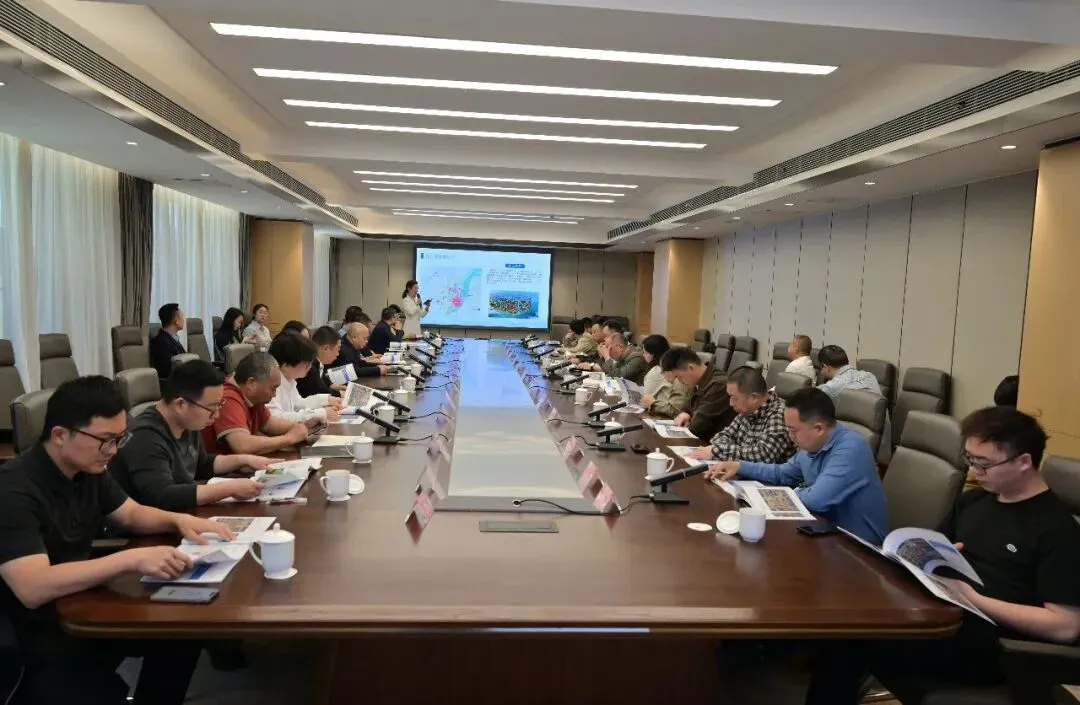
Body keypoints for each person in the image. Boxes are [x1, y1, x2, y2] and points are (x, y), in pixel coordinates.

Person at [805, 406, 1080, 705]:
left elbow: (1064, 626)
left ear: (1024, 461)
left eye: (984, 464)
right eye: (970, 459)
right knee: (845, 618)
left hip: (996, 645)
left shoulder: (1057, 529)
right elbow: (936, 546)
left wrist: (974, 599)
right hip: (945, 613)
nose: (973, 472)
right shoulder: (975, 501)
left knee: (850, 635)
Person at [0, 376, 233, 705]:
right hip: (35, 632)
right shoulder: (14, 490)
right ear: (60, 435)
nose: (112, 451)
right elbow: (32, 587)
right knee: (104, 692)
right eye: (105, 440)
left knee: (181, 632)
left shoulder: (88, 467)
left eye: (119, 440)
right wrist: (130, 559)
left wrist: (178, 520)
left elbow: (131, 514)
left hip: (83, 600)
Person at [706, 387, 887, 544]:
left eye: (793, 430)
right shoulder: (811, 446)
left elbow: (816, 499)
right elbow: (782, 473)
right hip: (822, 532)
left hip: (859, 548)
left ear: (818, 428)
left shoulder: (851, 447)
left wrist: (783, 495)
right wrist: (740, 466)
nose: (790, 437)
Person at [110, 360, 274, 509]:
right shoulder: (144, 436)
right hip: (146, 527)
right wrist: (228, 489)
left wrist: (243, 460)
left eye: (219, 405)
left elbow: (202, 464)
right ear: (181, 404)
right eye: (212, 408)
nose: (216, 415)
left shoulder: (187, 423)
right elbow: (162, 495)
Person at [200, 352, 311, 455]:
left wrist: (298, 427)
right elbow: (243, 446)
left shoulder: (253, 398)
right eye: (273, 388)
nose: (274, 395)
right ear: (252, 383)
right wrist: (289, 439)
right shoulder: (228, 398)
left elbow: (269, 424)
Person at [688, 366, 796, 465]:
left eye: (734, 397)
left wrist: (718, 450)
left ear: (753, 398)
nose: (730, 403)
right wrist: (728, 449)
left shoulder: (779, 414)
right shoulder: (746, 410)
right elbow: (722, 435)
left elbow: (764, 455)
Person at [659, 347, 737, 441]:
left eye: (679, 377)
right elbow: (686, 408)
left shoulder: (718, 384)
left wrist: (689, 418)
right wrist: (685, 413)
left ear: (691, 368)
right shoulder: (699, 379)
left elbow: (698, 425)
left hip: (714, 443)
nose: (679, 381)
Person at [268, 332, 343, 423]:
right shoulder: (271, 384)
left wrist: (327, 400)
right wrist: (320, 413)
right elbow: (276, 417)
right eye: (307, 364)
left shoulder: (289, 379)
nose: (310, 367)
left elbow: (298, 404)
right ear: (286, 365)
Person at [638, 334, 691, 418]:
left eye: (663, 372)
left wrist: (653, 403)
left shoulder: (680, 382)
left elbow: (675, 410)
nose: (664, 377)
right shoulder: (676, 378)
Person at [817, 344, 882, 400]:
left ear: (826, 367)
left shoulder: (830, 389)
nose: (821, 372)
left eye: (821, 368)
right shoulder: (869, 376)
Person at [581, 333, 648, 385]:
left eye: (609, 348)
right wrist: (602, 357)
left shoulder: (637, 358)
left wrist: (607, 357)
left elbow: (618, 377)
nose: (607, 351)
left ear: (620, 347)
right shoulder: (623, 356)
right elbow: (610, 371)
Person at [298, 325, 346, 398]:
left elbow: (326, 384)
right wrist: (342, 394)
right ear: (326, 348)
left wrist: (342, 388)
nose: (338, 354)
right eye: (338, 349)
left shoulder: (317, 362)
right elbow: (321, 392)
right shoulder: (309, 367)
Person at [149, 302, 186, 380]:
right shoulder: (160, 342)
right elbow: (168, 370)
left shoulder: (172, 339)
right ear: (176, 321)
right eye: (182, 317)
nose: (183, 320)